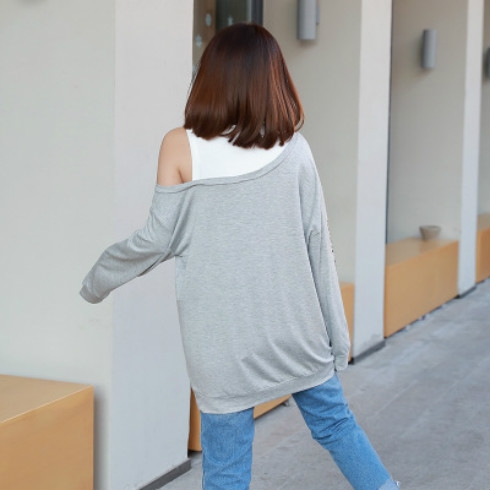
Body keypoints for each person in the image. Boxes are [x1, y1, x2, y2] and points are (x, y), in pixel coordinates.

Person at [80, 23, 399, 490]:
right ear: (274, 79)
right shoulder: (295, 150)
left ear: (210, 76)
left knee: (226, 470)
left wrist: (96, 280)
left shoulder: (179, 145)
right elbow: (319, 245)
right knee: (337, 427)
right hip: (296, 334)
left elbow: (155, 240)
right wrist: (337, 338)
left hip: (221, 348)